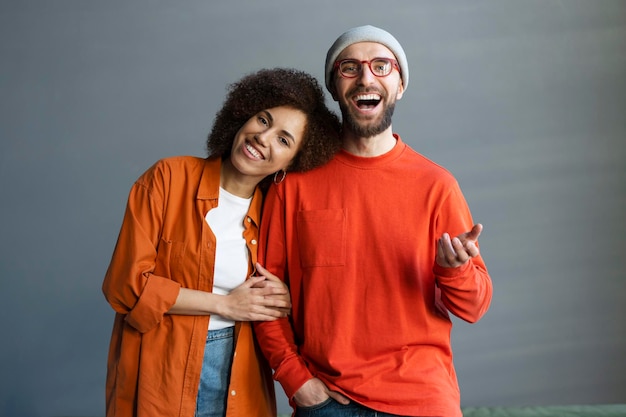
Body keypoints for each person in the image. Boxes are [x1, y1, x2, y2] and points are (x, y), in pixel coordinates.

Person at [254, 26, 494, 417]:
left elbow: (475, 306)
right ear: (334, 87)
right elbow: (265, 296)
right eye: (350, 67)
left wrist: (455, 270)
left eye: (381, 66)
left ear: (399, 85)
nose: (366, 77)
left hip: (423, 399)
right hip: (326, 400)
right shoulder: (292, 185)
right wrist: (295, 380)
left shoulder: (436, 185)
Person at [102, 67, 341, 417]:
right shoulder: (168, 179)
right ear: (243, 114)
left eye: (283, 139)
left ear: (292, 163)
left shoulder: (276, 218)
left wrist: (289, 297)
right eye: (263, 120)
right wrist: (225, 305)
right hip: (162, 371)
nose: (263, 137)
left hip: (240, 374)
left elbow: (299, 294)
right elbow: (124, 288)